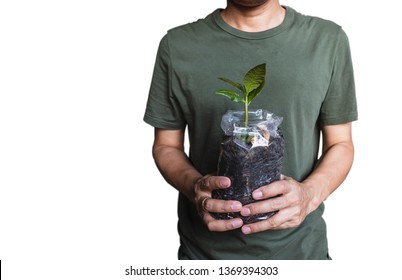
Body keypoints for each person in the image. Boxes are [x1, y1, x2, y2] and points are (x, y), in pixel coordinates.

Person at [143, 0, 357, 260]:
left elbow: (341, 144)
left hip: (300, 254)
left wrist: (309, 195)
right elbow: (166, 145)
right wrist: (195, 187)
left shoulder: (327, 40)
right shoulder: (177, 45)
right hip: (204, 256)